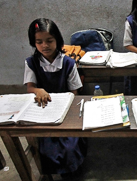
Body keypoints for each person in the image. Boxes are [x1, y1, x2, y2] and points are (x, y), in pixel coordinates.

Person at [24, 18, 87, 177]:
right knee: (47, 147)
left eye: (49, 41)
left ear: (57, 40)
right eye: (39, 42)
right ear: (34, 43)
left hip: (67, 111)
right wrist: (38, 91)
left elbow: (74, 93)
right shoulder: (31, 63)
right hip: (43, 112)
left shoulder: (68, 63)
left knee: (69, 148)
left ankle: (73, 172)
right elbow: (30, 87)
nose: (44, 45)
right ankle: (52, 172)